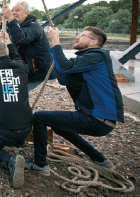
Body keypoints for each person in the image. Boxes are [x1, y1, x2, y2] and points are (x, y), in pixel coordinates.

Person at [25, 27, 124, 175]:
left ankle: (39, 164)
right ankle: (100, 159)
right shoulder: (86, 60)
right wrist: (55, 54)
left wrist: (55, 41)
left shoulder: (97, 56)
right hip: (100, 120)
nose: (77, 38)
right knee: (57, 125)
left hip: (98, 119)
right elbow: (64, 79)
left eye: (82, 35)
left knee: (39, 117)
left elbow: (65, 68)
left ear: (93, 41)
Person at [0, 31, 32, 189]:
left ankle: (10, 161)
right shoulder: (22, 66)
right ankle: (18, 142)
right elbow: (15, 56)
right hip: (26, 129)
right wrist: (8, 42)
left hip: (4, 131)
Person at [1, 1, 56, 91]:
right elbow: (15, 48)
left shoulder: (34, 26)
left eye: (18, 10)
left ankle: (14, 103)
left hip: (36, 71)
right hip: (24, 69)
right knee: (8, 92)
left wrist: (11, 19)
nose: (14, 13)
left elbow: (21, 39)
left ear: (26, 13)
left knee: (16, 94)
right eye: (12, 10)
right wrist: (7, 40)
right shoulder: (18, 27)